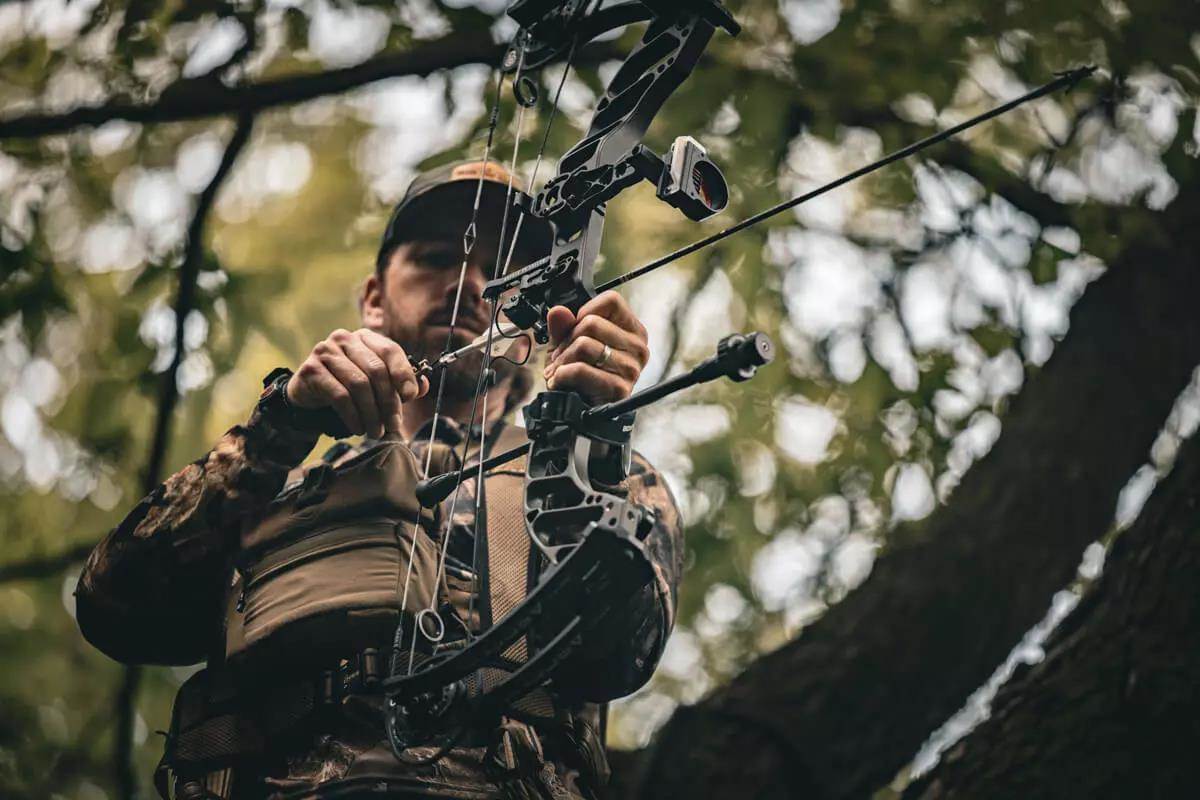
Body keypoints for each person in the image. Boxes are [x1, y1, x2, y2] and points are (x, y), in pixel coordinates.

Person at [74, 159, 683, 800]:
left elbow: (621, 650)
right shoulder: (274, 484)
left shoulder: (605, 476)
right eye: (434, 258)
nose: (469, 285)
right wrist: (281, 423)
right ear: (373, 300)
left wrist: (592, 437)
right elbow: (116, 608)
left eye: (505, 273)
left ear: (538, 318)